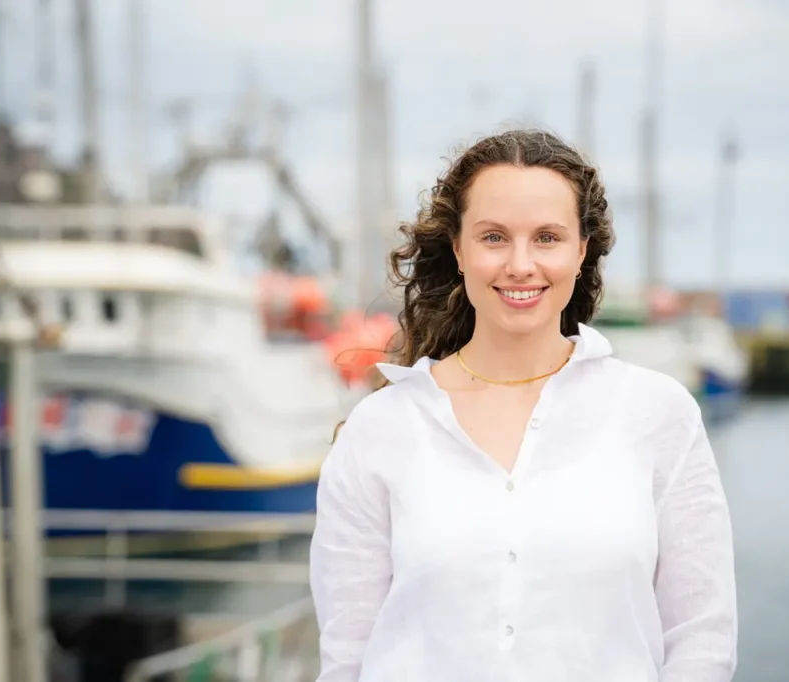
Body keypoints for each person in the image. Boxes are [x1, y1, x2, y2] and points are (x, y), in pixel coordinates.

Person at [309, 129, 737, 682]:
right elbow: (347, 658)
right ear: (459, 249)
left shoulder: (658, 415)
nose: (520, 264)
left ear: (582, 251)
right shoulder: (380, 429)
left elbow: (702, 639)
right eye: (493, 237)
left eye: (547, 238)